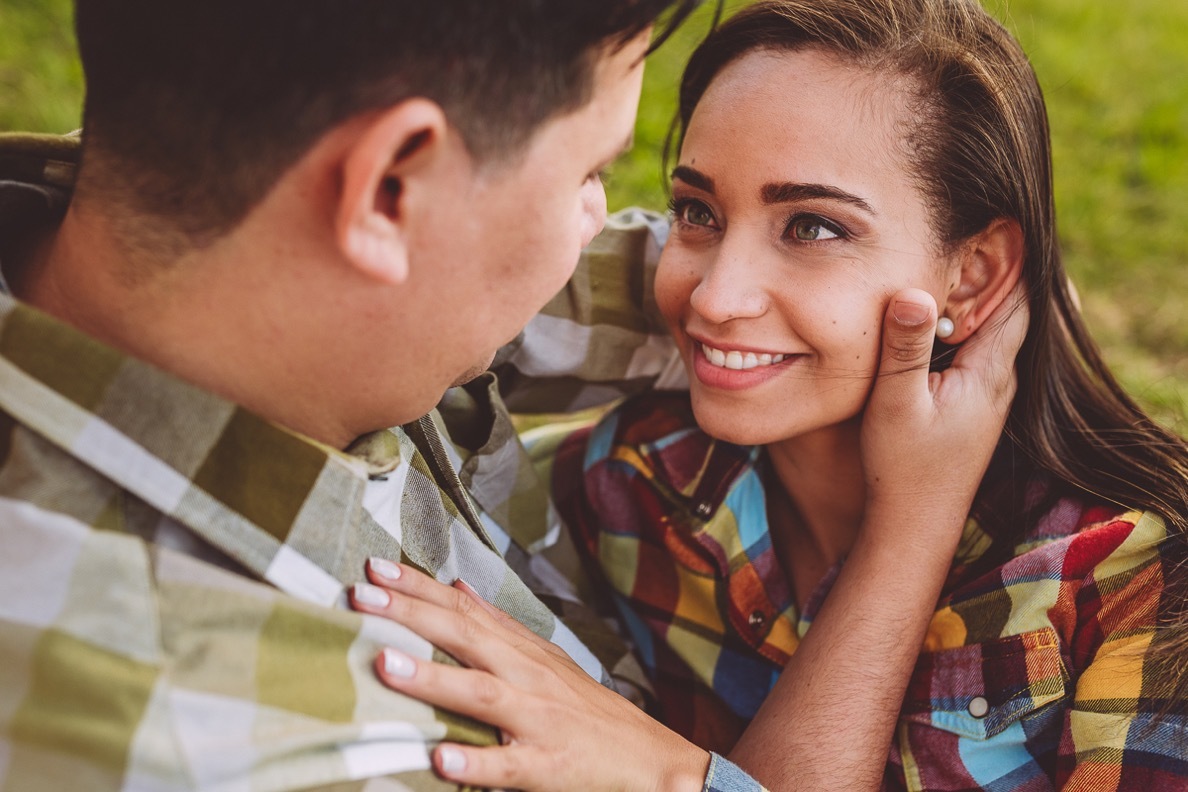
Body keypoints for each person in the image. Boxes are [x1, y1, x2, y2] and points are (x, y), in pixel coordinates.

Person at [344, 0, 1188, 790]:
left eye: (812, 227)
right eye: (697, 211)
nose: (714, 296)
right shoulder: (626, 493)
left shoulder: (1134, 583)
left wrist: (671, 771)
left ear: (973, 276)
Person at [0, 2, 715, 789]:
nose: (598, 217)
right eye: (591, 172)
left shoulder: (197, 205)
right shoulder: (242, 747)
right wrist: (682, 778)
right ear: (386, 192)